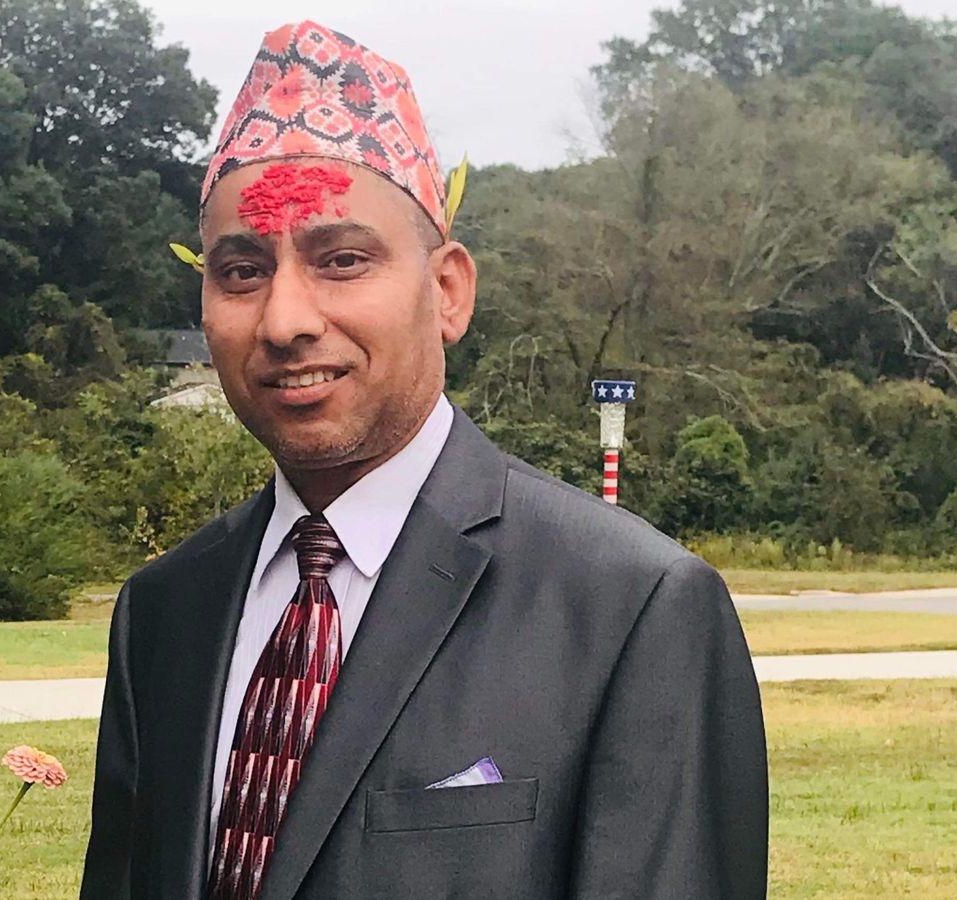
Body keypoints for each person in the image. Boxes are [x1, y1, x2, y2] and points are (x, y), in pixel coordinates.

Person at [81, 19, 767, 900]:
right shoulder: (165, 611)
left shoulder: (629, 609)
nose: (285, 320)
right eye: (242, 271)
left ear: (447, 291)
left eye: (342, 260)